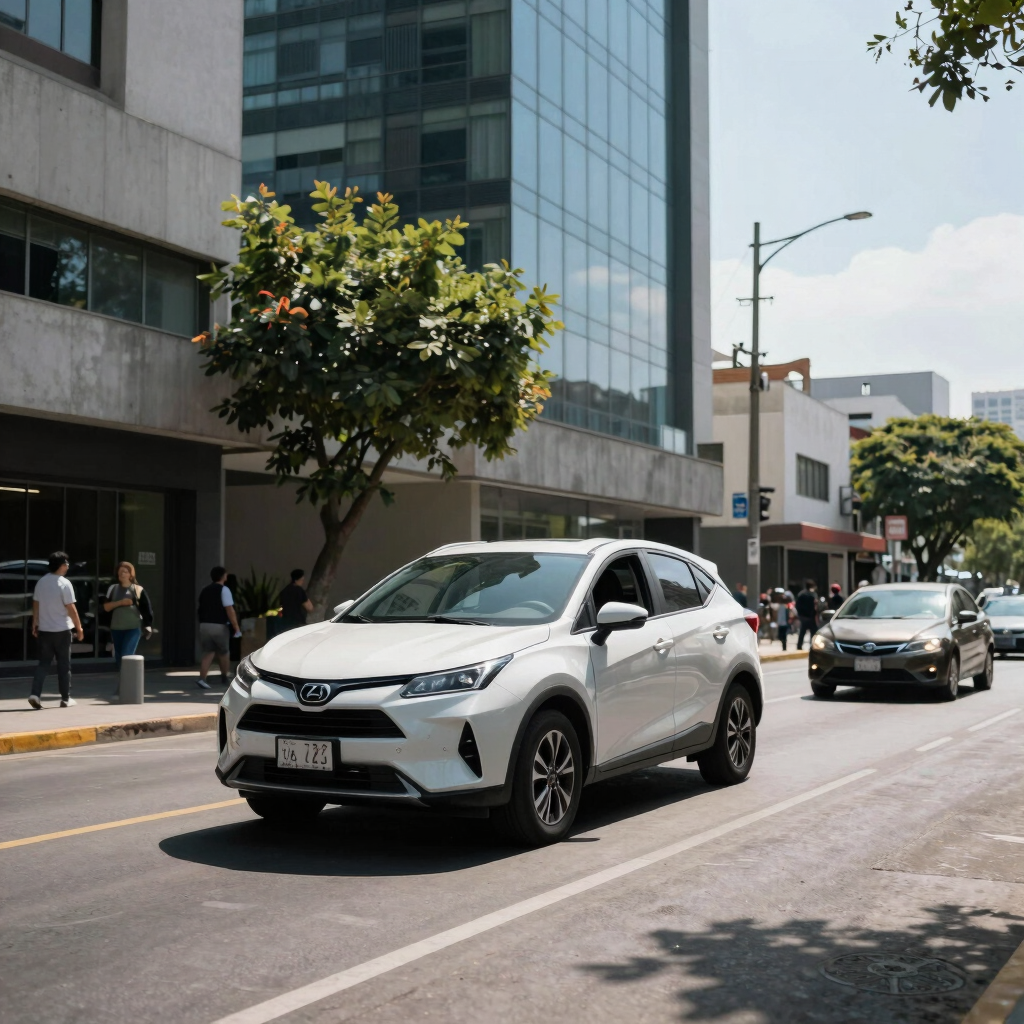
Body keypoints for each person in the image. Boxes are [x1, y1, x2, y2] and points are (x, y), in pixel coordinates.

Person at [28, 551, 84, 709]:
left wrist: (35, 623)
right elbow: (71, 608)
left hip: (45, 629)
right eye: (66, 564)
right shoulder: (64, 583)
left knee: (43, 663)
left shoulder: (41, 582)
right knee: (64, 665)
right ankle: (66, 698)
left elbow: (36, 603)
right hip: (62, 630)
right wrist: (79, 628)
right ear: (61, 565)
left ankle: (35, 694)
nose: (67, 567)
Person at [103, 561, 154, 669]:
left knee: (126, 655)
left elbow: (146, 609)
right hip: (116, 628)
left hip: (133, 628)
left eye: (125, 572)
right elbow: (106, 607)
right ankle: (123, 682)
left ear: (131, 574)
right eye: (120, 572)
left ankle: (128, 681)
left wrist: (148, 625)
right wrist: (121, 603)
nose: (122, 574)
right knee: (119, 657)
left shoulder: (138, 589)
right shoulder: (113, 589)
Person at [197, 566, 241, 690]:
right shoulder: (224, 590)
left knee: (208, 652)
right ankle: (224, 677)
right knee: (224, 652)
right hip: (219, 625)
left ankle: (202, 678)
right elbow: (229, 609)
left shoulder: (204, 590)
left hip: (204, 625)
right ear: (223, 576)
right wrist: (236, 626)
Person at [795, 579, 819, 650]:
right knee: (813, 632)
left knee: (802, 632)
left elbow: (797, 605)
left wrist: (800, 614)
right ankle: (812, 646)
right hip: (811, 617)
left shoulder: (801, 594)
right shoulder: (813, 595)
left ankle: (799, 646)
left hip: (803, 617)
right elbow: (815, 606)